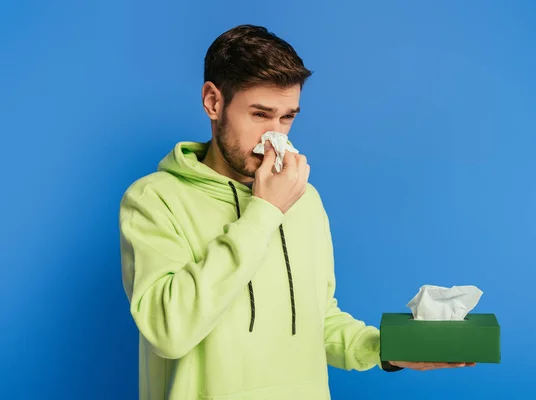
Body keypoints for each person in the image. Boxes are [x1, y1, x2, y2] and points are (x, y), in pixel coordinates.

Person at [119, 24, 474, 400]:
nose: (275, 136)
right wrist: (265, 211)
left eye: (287, 117)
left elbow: (318, 323)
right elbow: (168, 331)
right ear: (213, 102)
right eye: (260, 114)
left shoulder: (305, 200)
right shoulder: (153, 199)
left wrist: (390, 350)